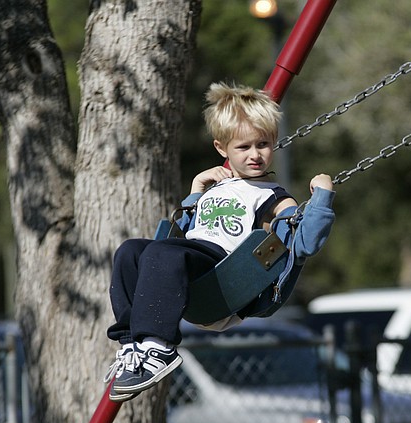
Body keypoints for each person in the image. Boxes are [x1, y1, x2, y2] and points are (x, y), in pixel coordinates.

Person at [103, 82, 337, 402]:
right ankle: (133, 344)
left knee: (161, 253)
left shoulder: (273, 196)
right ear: (221, 148)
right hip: (189, 257)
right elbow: (184, 227)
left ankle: (160, 348)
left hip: (222, 269)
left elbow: (305, 242)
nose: (255, 155)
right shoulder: (216, 186)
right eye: (243, 147)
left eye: (263, 144)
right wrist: (198, 186)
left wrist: (322, 197)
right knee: (130, 251)